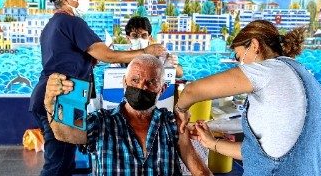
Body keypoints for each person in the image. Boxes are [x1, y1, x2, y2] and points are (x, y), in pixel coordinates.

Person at [29, 0, 165, 175]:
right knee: (58, 164)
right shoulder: (72, 22)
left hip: (52, 93)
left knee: (63, 161)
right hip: (63, 95)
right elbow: (107, 55)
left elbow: (71, 58)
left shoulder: (53, 24)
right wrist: (146, 51)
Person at [175, 20, 321, 175]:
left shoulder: (267, 71)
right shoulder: (305, 76)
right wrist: (211, 143)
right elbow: (264, 154)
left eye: (239, 57)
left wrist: (180, 110)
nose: (240, 64)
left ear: (255, 45)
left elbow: (191, 90)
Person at [44, 55, 212, 176]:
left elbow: (199, 171)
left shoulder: (171, 123)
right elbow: (66, 133)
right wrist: (50, 105)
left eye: (151, 82)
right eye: (135, 80)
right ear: (124, 83)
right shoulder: (102, 121)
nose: (141, 87)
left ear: (161, 89)